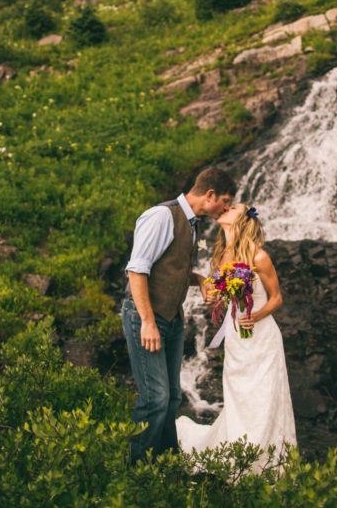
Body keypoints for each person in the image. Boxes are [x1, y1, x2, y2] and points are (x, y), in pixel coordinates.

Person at [122, 168, 236, 464]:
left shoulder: (191, 223)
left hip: (172, 318)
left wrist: (198, 279)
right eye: (225, 201)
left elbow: (171, 268)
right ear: (209, 195)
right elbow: (136, 269)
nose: (226, 208)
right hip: (146, 317)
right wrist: (147, 322)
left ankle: (166, 462)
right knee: (155, 398)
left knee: (172, 397)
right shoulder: (162, 216)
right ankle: (136, 471)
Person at [176, 203, 297, 472]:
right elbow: (219, 296)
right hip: (236, 337)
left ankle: (265, 461)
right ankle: (240, 455)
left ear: (242, 219)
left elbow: (276, 298)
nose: (225, 208)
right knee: (239, 396)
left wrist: (254, 316)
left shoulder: (259, 257)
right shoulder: (220, 256)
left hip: (262, 338)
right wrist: (212, 295)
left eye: (232, 207)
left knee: (264, 396)